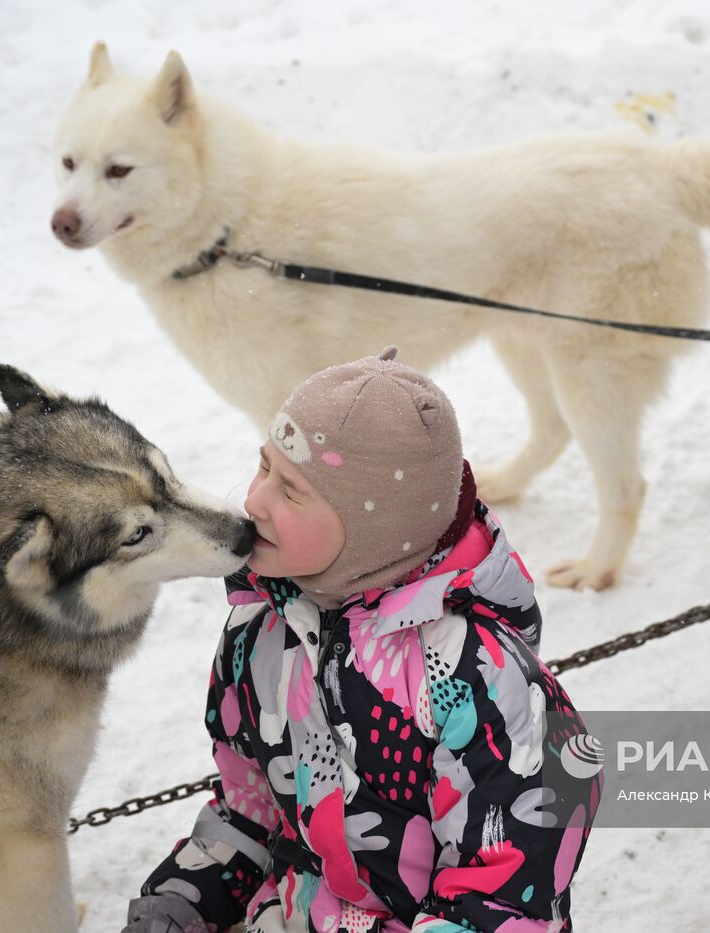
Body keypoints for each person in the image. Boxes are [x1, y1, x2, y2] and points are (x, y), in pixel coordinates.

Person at [122, 348, 600, 933]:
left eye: (291, 491)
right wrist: (187, 899)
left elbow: (505, 902)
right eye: (263, 466)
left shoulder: (483, 681)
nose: (254, 500)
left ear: (377, 531)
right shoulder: (262, 628)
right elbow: (251, 813)